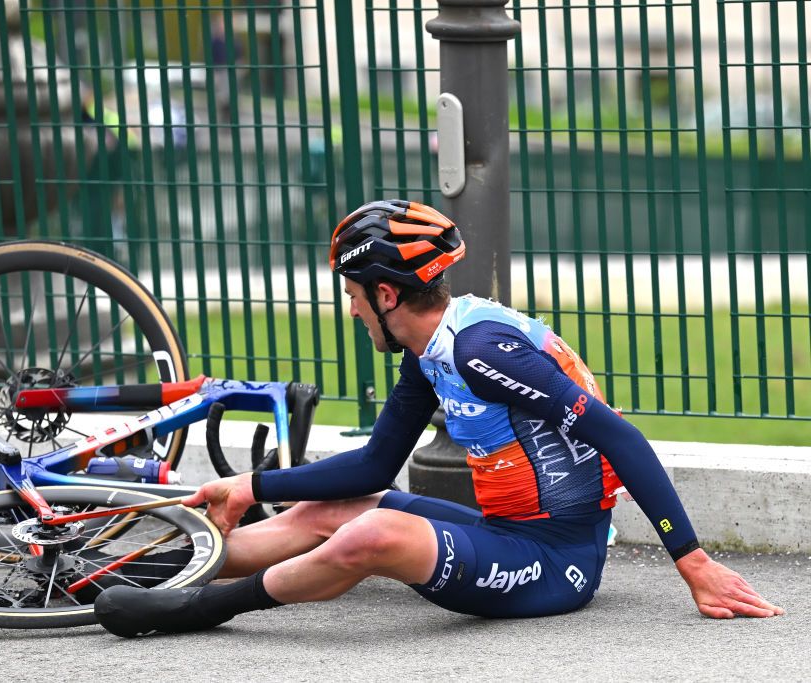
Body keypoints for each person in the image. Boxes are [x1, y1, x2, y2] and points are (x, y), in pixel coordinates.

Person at [95, 199, 784, 636]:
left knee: (372, 532)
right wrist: (251, 488)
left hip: (555, 564)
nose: (353, 310)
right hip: (503, 532)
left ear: (387, 292)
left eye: (355, 296)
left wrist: (692, 560)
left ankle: (199, 609)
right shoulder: (434, 350)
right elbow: (372, 464)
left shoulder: (481, 350)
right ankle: (116, 575)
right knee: (325, 508)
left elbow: (615, 432)